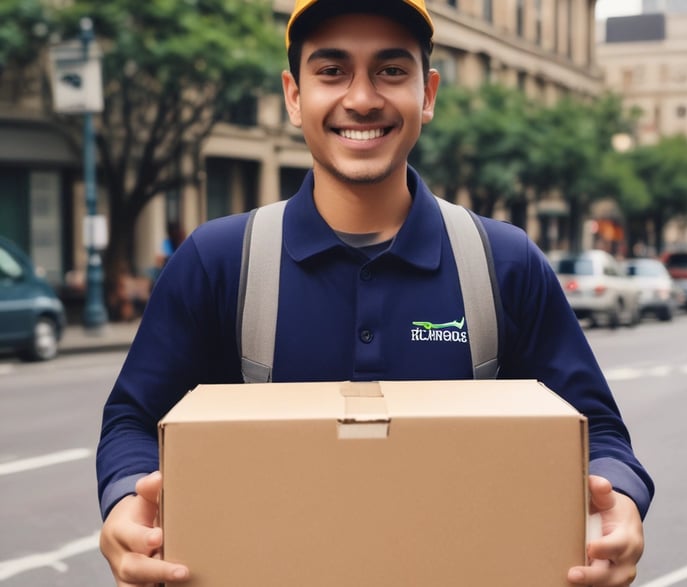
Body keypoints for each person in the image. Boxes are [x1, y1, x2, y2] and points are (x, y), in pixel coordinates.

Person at [97, 1, 654, 585]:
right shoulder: (216, 262)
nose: (361, 98)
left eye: (390, 70)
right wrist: (123, 503)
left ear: (429, 93)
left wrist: (618, 498)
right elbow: (133, 421)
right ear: (293, 95)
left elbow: (597, 430)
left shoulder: (504, 263)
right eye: (331, 71)